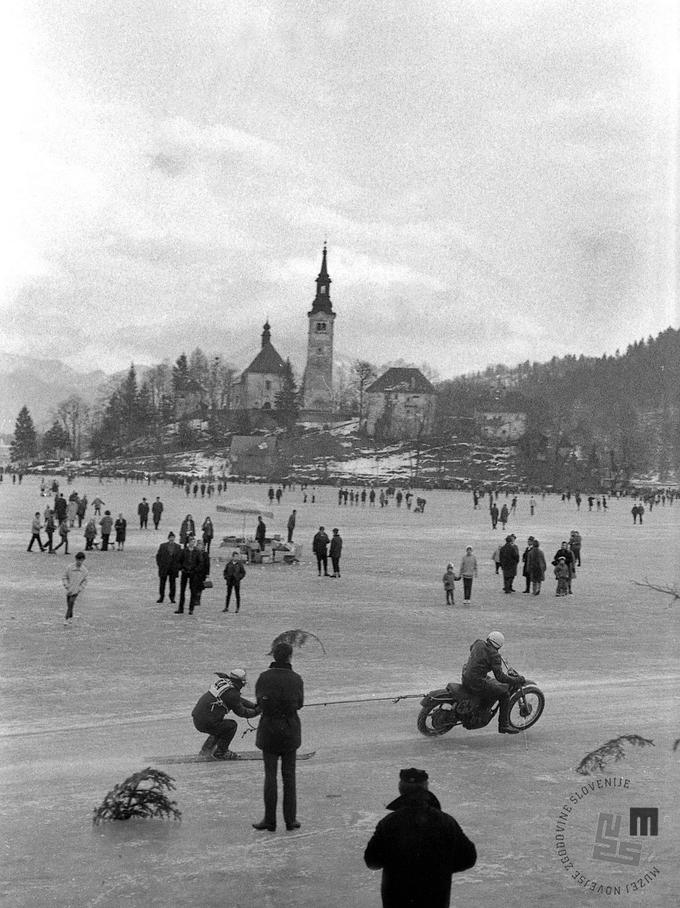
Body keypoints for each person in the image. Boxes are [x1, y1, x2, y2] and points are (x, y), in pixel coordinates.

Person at [364, 767, 477, 908]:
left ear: (401, 789)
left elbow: (372, 861)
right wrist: (440, 869)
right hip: (435, 899)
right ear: (426, 788)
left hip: (397, 900)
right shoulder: (446, 822)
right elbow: (468, 858)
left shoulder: (388, 823)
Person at [253, 642, 304, 832]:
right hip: (290, 731)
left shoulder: (264, 678)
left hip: (269, 731)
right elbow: (299, 703)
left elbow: (259, 702)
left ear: (274, 656)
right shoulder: (296, 679)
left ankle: (269, 820)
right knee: (289, 777)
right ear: (290, 657)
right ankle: (290, 820)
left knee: (270, 777)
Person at [461, 631, 525, 735]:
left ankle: (481, 707)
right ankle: (503, 726)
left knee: (489, 681)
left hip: (466, 676)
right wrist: (517, 680)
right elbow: (500, 677)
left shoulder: (479, 643)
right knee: (504, 694)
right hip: (476, 683)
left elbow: (471, 648)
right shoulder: (494, 656)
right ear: (499, 646)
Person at [191, 668, 260, 759]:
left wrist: (254, 706)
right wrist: (259, 710)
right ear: (240, 681)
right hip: (206, 722)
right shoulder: (232, 693)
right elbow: (242, 712)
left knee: (219, 727)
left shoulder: (226, 684)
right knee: (231, 726)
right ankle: (221, 752)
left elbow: (238, 700)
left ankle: (206, 750)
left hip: (198, 718)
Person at [156, 531, 183, 604]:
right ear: (168, 538)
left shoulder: (178, 547)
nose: (172, 539)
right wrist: (160, 565)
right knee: (162, 583)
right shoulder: (163, 546)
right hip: (164, 568)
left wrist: (178, 567)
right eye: (170, 537)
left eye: (173, 537)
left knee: (172, 584)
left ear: (174, 538)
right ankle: (161, 597)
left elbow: (181, 558)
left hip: (173, 568)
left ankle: (172, 597)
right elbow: (158, 556)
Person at [62, 552, 88, 626]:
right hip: (69, 589)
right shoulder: (70, 567)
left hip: (76, 590)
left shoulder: (84, 570)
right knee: (69, 604)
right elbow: (64, 577)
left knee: (71, 602)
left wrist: (80, 588)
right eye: (78, 560)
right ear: (76, 559)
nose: (80, 562)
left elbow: (85, 581)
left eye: (81, 560)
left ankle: (66, 618)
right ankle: (71, 617)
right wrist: (66, 585)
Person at [186, 539, 210, 614]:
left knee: (200, 586)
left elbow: (207, 564)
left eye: (201, 545)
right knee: (193, 586)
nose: (200, 546)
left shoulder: (205, 554)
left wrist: (207, 573)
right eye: (199, 544)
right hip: (195, 572)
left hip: (202, 573)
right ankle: (195, 598)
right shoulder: (195, 552)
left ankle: (198, 598)